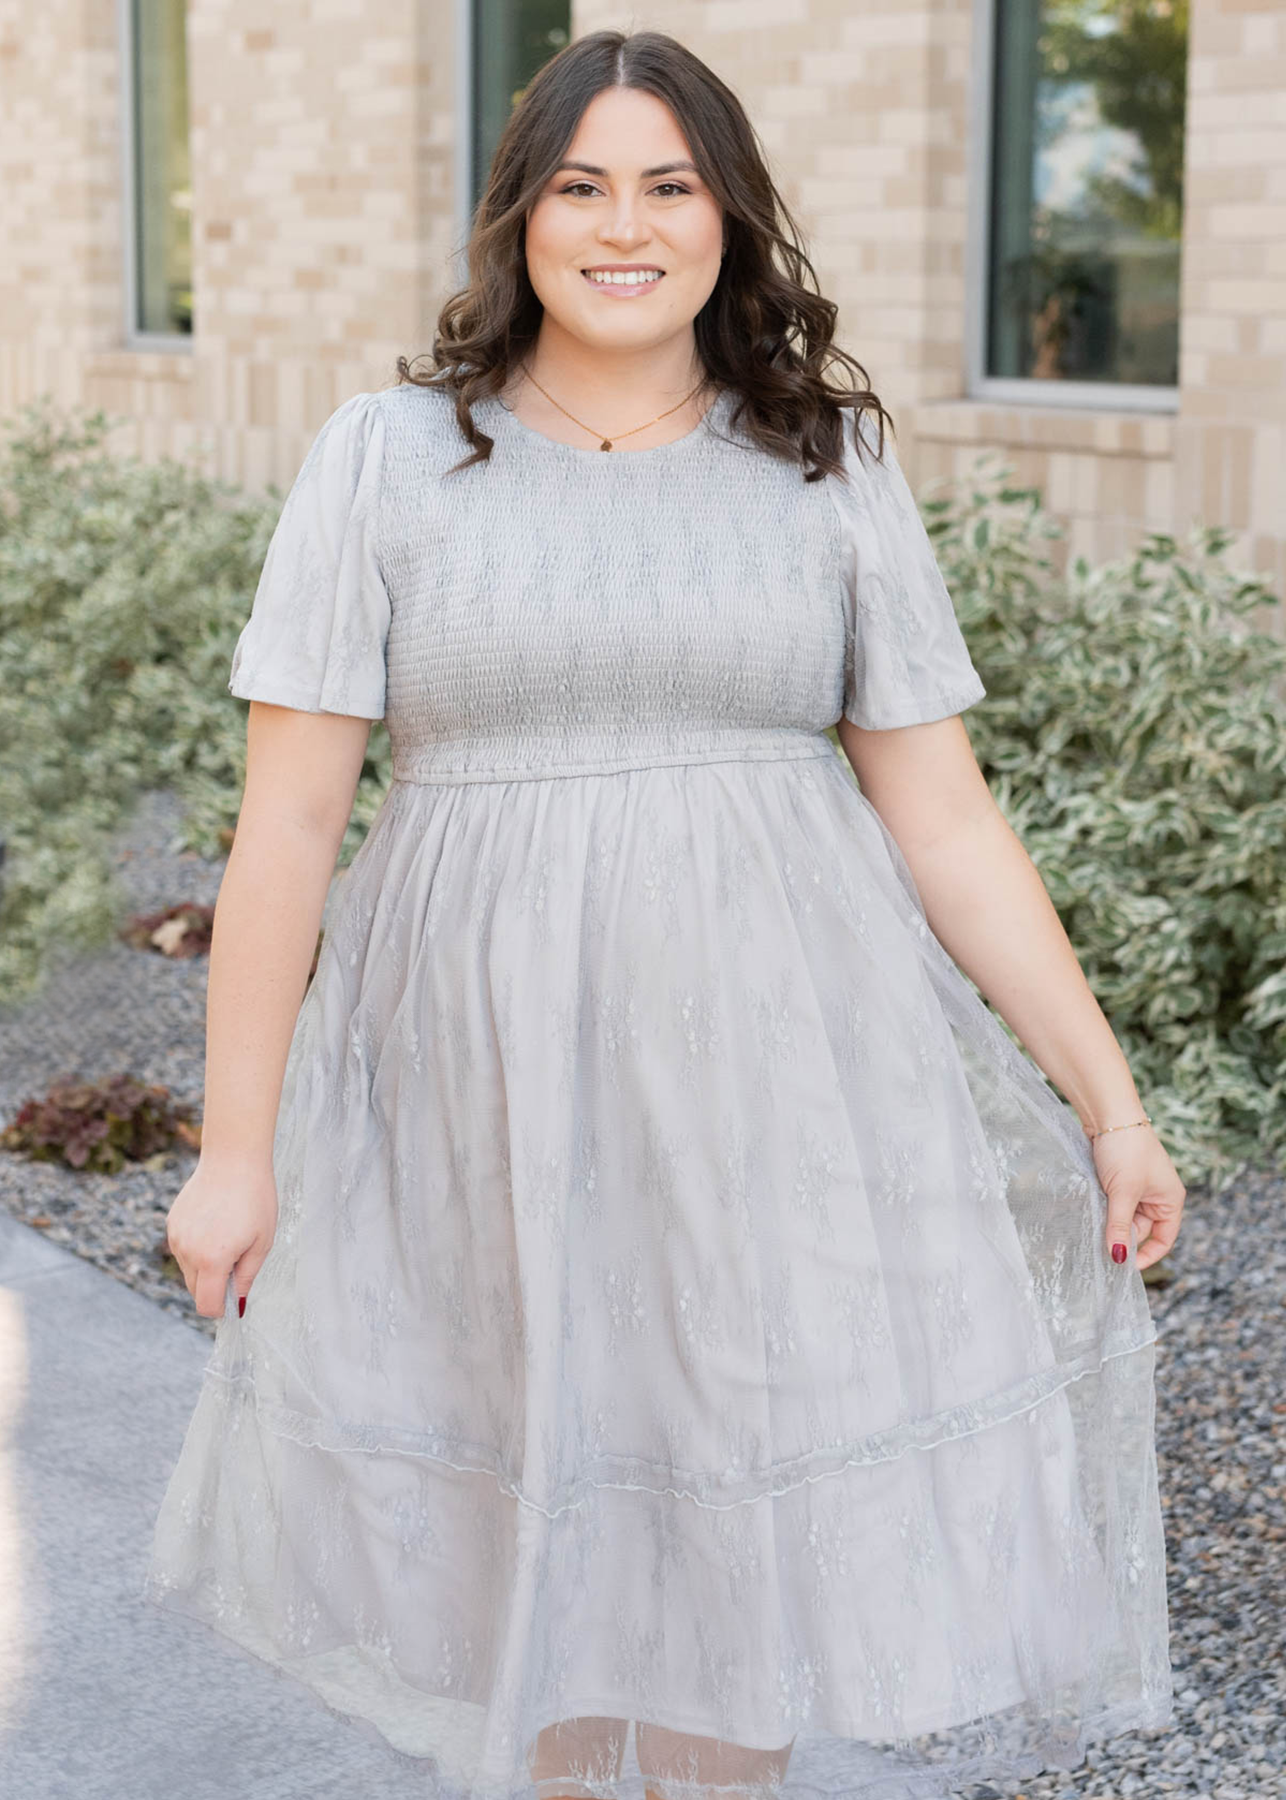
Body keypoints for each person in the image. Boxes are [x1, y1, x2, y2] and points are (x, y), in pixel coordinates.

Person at [143, 27, 1185, 1800]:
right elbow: (290, 825)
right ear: (520, 218)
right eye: (580, 188)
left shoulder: (822, 463)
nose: (623, 228)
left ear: (728, 218)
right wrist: (231, 1151)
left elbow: (940, 815)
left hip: (779, 1081)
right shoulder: (387, 458)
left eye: (668, 187)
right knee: (536, 1515)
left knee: (728, 1525)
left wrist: (1109, 1100)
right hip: (483, 1086)